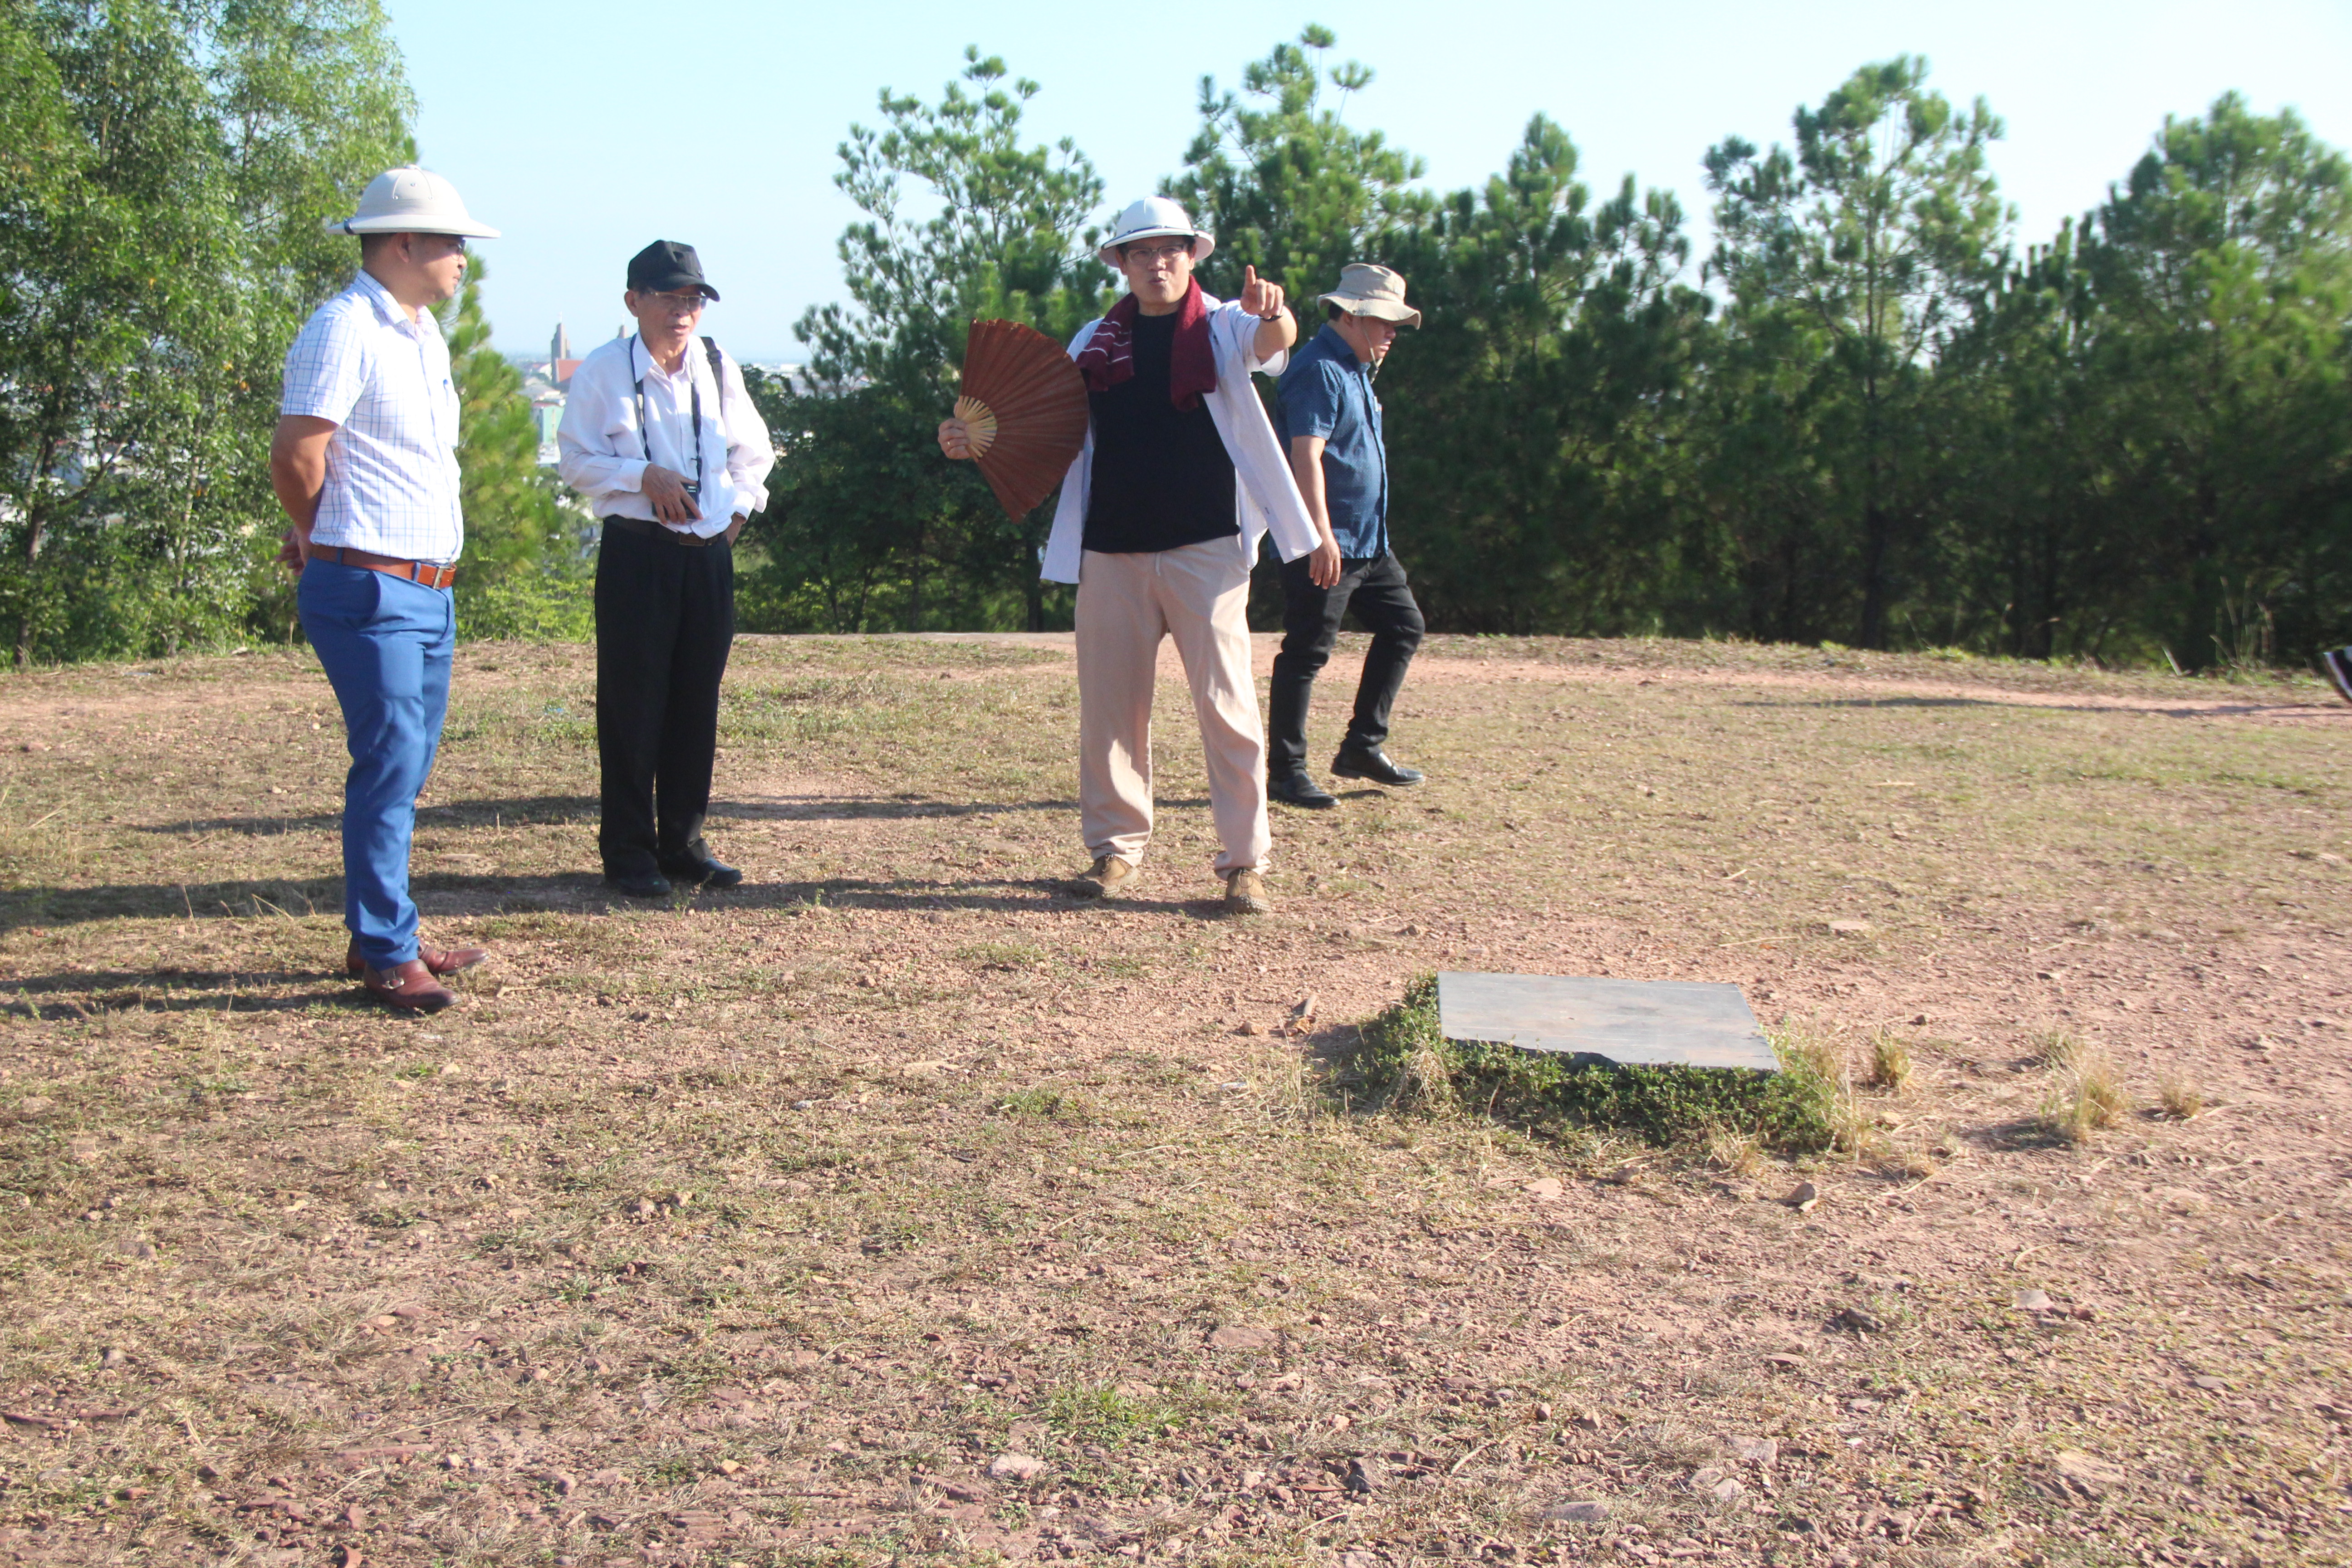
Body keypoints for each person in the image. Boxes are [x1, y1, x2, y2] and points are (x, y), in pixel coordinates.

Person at [939, 196, 1320, 914]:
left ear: (1192, 256)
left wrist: (1273, 312)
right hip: (1111, 551)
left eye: (1171, 249)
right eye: (1141, 252)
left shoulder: (1225, 325)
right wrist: (968, 439)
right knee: (1111, 712)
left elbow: (1274, 347)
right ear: (1121, 263)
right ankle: (1115, 853)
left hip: (1207, 550)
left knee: (1228, 709)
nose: (1158, 263)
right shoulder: (1093, 341)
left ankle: (1246, 864)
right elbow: (1040, 423)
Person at [271, 166, 499, 1014]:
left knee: (406, 764)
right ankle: (385, 950)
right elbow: (298, 452)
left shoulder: (420, 331)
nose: (464, 260)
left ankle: (384, 931)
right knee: (390, 760)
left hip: (424, 590)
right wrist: (318, 533)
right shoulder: (343, 330)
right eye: (453, 243)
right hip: (369, 586)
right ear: (402, 244)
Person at [558, 241, 775, 898]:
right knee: (632, 706)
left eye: (693, 299)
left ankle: (684, 843)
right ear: (635, 302)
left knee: (695, 703)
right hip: (638, 554)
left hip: (706, 556)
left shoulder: (715, 365)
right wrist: (640, 475)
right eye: (670, 297)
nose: (684, 311)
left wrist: (735, 514)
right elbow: (575, 461)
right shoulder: (601, 372)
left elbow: (753, 453)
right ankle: (628, 851)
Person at [1266, 263, 1428, 809]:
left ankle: (1362, 747)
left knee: (1404, 626)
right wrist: (1320, 536)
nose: (1391, 336)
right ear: (1354, 315)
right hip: (1327, 543)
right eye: (1385, 323)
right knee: (1307, 652)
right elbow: (1304, 455)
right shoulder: (1319, 370)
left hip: (1368, 543)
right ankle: (1286, 773)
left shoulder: (1356, 367)